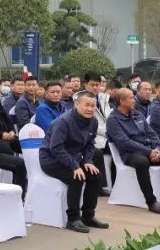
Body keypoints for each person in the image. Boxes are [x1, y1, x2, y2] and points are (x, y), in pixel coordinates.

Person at [106, 87, 160, 214]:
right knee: (142, 163)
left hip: (150, 150)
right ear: (122, 101)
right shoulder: (113, 119)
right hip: (131, 153)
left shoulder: (137, 113)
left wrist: (156, 149)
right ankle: (151, 202)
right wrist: (148, 152)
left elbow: (152, 134)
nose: (134, 100)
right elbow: (124, 142)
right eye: (131, 98)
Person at [38, 91, 108, 233]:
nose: (90, 109)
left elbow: (89, 144)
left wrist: (88, 161)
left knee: (95, 175)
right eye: (86, 105)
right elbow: (56, 147)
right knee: (76, 177)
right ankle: (73, 219)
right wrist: (74, 166)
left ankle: (88, 216)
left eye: (93, 106)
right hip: (51, 159)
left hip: (73, 158)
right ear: (77, 105)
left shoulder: (93, 121)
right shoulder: (64, 121)